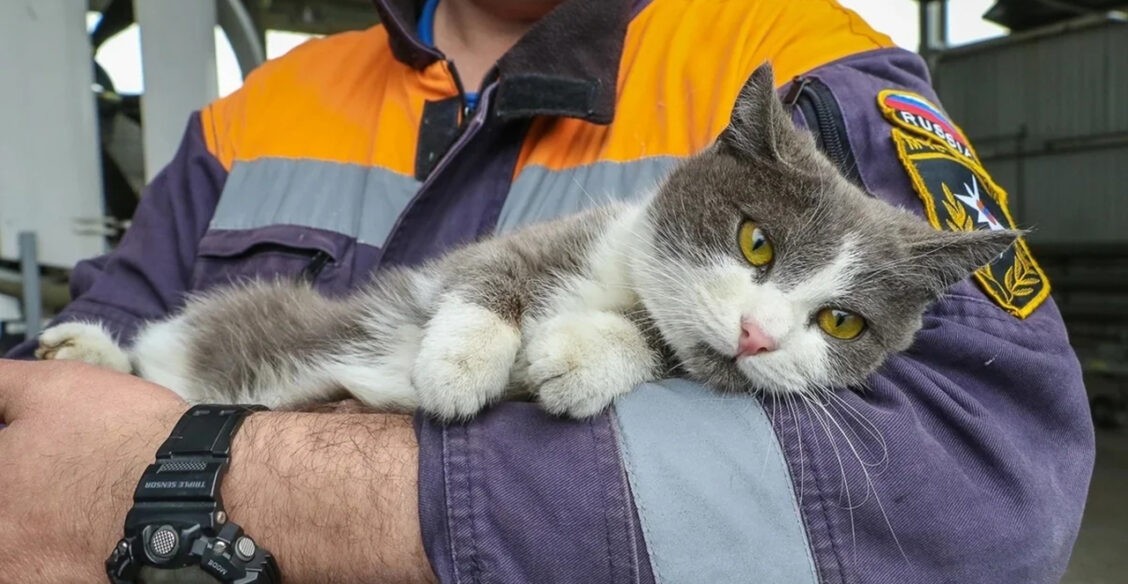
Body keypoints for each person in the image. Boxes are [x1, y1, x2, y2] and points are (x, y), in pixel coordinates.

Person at [0, 0, 1094, 582]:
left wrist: (234, 482)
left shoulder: (790, 55)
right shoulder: (261, 105)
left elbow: (989, 495)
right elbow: (68, 385)